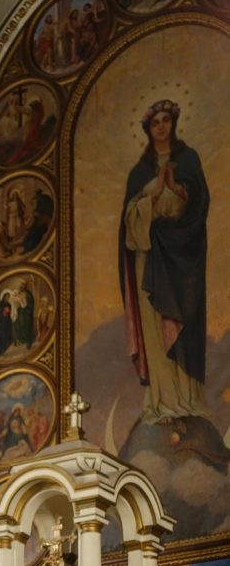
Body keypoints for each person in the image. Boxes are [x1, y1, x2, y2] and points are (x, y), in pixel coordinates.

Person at [119, 98, 211, 426]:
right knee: (155, 328)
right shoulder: (139, 173)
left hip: (183, 259)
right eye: (155, 122)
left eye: (165, 120)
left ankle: (187, 400)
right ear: (148, 129)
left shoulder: (188, 160)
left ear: (173, 123)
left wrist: (176, 189)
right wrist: (154, 194)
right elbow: (128, 227)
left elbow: (200, 207)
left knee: (184, 323)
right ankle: (161, 400)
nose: (161, 127)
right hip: (149, 258)